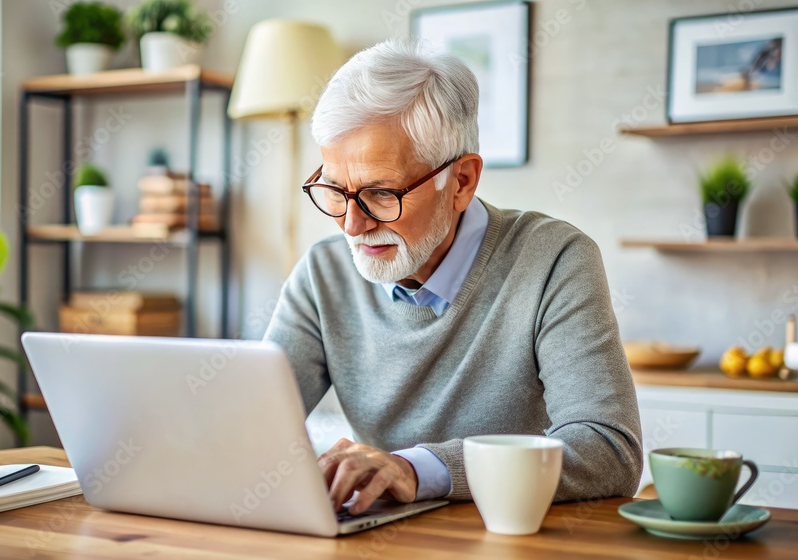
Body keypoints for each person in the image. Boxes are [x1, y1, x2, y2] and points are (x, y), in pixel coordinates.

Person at [264, 39, 642, 516]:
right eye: (335, 191)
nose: (351, 225)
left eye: (381, 193)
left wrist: (415, 469)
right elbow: (254, 428)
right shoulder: (323, 273)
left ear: (461, 181)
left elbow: (610, 451)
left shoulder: (554, 260)